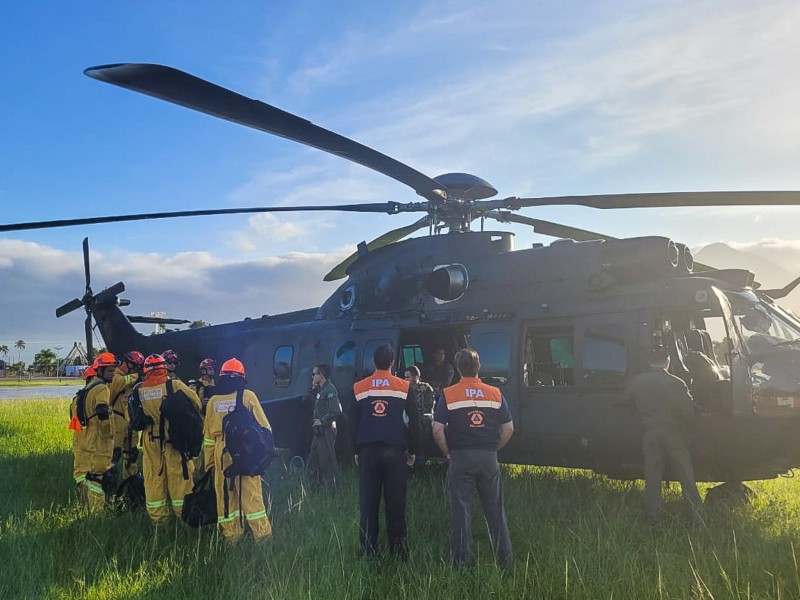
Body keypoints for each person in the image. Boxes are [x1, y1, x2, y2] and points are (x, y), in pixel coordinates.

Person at [432, 348, 514, 568]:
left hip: (460, 457)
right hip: (488, 457)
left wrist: (447, 452)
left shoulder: (448, 394)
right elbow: (508, 428)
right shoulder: (495, 393)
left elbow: (437, 429)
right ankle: (505, 561)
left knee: (461, 510)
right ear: (479, 367)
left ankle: (461, 563)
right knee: (496, 511)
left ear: (458, 369)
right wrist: (493, 448)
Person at [353, 344, 421, 558]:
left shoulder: (359, 387)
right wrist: (413, 450)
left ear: (374, 362)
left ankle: (368, 551)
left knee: (368, 504)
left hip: (368, 453)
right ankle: (399, 551)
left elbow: (351, 422)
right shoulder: (403, 386)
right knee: (396, 504)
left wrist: (356, 449)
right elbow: (416, 420)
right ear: (392, 363)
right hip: (395, 453)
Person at [626, 346, 705, 527]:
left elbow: (625, 400)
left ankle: (653, 519)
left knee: (652, 478)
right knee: (686, 477)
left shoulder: (637, 382)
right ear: (668, 361)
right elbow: (688, 414)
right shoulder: (677, 383)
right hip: (673, 435)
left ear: (649, 362)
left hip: (651, 435)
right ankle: (698, 520)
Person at [204, 358, 273, 543]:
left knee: (226, 498)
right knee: (252, 497)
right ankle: (263, 538)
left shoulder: (212, 401)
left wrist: (210, 464)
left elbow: (209, 438)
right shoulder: (248, 396)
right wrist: (263, 456)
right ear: (242, 377)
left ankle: (232, 537)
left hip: (222, 454)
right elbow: (265, 428)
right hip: (247, 453)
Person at [138, 353, 202, 526]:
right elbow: (196, 402)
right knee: (180, 477)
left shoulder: (140, 390)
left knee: (153, 478)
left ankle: (158, 521)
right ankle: (184, 518)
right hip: (174, 438)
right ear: (163, 368)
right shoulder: (173, 384)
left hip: (150, 440)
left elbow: (133, 418)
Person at [69, 353, 117, 512]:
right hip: (98, 443)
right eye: (110, 371)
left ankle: (83, 508)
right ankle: (97, 514)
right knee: (98, 479)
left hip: (82, 442)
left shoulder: (78, 396)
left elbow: (74, 423)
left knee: (83, 477)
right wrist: (108, 436)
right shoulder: (102, 388)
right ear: (100, 371)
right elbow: (102, 411)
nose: (113, 374)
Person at [108, 350, 144, 479]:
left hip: (130, 421)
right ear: (128, 363)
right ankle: (108, 486)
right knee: (113, 455)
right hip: (117, 420)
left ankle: (130, 484)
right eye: (134, 367)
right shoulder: (115, 376)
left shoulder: (131, 381)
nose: (135, 370)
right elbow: (119, 383)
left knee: (132, 455)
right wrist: (135, 378)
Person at [307, 363, 342, 491]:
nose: (312, 376)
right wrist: (313, 388)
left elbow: (336, 411)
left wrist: (322, 421)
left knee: (326, 462)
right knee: (313, 461)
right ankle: (315, 489)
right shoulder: (320, 390)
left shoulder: (330, 390)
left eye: (314, 374)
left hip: (326, 431)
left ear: (321, 375)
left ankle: (332, 491)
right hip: (318, 432)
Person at [404, 365, 435, 471]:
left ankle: (420, 458)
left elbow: (428, 407)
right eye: (405, 377)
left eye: (408, 377)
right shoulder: (404, 389)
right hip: (408, 418)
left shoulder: (426, 388)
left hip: (423, 418)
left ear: (416, 377)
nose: (405, 380)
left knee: (421, 425)